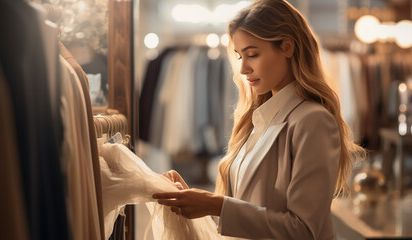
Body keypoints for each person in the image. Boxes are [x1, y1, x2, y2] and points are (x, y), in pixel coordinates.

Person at [152, 0, 365, 239]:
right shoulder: (258, 120)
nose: (243, 69)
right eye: (239, 56)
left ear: (287, 47)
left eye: (252, 54)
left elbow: (305, 230)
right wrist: (192, 199)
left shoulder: (312, 121)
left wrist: (216, 205)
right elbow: (248, 209)